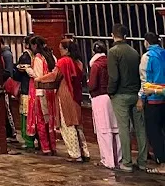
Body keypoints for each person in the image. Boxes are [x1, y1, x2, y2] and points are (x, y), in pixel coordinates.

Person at [37, 40, 90, 162]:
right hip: (76, 94)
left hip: (66, 94)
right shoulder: (78, 62)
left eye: (61, 48)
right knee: (78, 125)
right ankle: (84, 152)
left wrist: (39, 79)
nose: (59, 51)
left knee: (68, 124)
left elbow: (54, 76)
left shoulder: (63, 61)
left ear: (67, 50)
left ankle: (75, 154)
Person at [108, 23, 148, 172]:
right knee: (140, 128)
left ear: (113, 35)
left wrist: (110, 92)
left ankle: (127, 162)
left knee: (124, 129)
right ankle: (143, 161)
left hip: (120, 94)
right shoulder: (134, 52)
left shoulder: (113, 52)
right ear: (125, 36)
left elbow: (114, 76)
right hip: (135, 94)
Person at [23, 36, 57, 155]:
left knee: (41, 120)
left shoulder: (38, 58)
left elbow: (38, 76)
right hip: (51, 91)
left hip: (40, 91)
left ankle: (46, 147)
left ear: (35, 46)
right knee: (50, 120)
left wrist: (29, 71)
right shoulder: (51, 56)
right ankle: (53, 146)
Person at [88, 41, 120, 169]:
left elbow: (93, 84)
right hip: (113, 97)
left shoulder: (95, 65)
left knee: (104, 130)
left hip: (100, 98)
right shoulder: (111, 62)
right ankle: (119, 160)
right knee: (115, 129)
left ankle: (108, 161)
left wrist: (89, 84)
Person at [139, 31, 165, 167]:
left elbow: (145, 80)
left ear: (146, 42)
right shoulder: (164, 54)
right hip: (164, 98)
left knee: (154, 133)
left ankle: (161, 163)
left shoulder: (147, 56)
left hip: (153, 98)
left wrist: (141, 97)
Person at [14, 36, 35, 149]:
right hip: (35, 89)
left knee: (25, 115)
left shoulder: (25, 56)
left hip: (26, 89)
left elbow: (18, 75)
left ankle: (28, 141)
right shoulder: (37, 56)